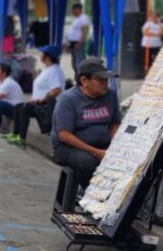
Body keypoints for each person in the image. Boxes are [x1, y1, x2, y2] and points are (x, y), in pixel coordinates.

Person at [50, 57, 121, 190]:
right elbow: (64, 135)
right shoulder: (68, 99)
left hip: (101, 146)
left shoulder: (110, 96)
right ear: (84, 81)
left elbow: (114, 124)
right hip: (68, 148)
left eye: (106, 79)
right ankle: (89, 195)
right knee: (88, 162)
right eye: (101, 80)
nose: (106, 83)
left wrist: (114, 146)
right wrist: (96, 152)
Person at [5, 45, 65, 149]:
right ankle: (15, 134)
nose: (40, 55)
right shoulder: (47, 69)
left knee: (25, 109)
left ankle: (22, 139)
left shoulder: (54, 70)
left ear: (48, 57)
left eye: (42, 54)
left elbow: (56, 90)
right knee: (17, 107)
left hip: (47, 106)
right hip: (39, 102)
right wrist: (34, 99)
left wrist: (41, 100)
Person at [65, 2, 91, 70]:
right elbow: (73, 32)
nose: (72, 11)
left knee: (79, 63)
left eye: (73, 10)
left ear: (78, 9)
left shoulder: (84, 18)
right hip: (73, 43)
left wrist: (79, 43)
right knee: (74, 64)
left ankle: (82, 79)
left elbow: (84, 32)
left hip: (78, 43)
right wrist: (68, 43)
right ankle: (77, 78)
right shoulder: (76, 19)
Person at [141, 10, 163, 75]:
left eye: (156, 17)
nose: (154, 18)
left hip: (157, 45)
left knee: (157, 60)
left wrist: (159, 23)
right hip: (147, 45)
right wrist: (155, 34)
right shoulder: (148, 23)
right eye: (153, 17)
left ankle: (155, 72)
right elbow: (145, 32)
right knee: (147, 60)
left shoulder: (162, 25)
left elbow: (161, 33)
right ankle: (147, 73)